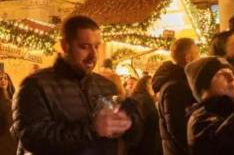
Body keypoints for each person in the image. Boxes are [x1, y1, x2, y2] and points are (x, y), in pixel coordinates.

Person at [11, 15, 142, 155]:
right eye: (84, 47)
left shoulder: (106, 86)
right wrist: (92, 128)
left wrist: (130, 124)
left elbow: (127, 140)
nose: (93, 55)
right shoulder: (35, 86)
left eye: (96, 46)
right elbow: (33, 139)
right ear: (65, 46)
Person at [152, 38, 199, 155]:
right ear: (188, 58)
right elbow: (177, 129)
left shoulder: (179, 82)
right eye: (197, 54)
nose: (199, 58)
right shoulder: (174, 87)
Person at [128, 76, 162, 155]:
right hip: (145, 146)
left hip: (135, 146)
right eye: (151, 84)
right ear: (144, 85)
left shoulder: (133, 98)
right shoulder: (145, 101)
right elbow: (152, 123)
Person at [0, 70, 17, 155]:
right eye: (0, 79)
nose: (3, 80)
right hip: (3, 137)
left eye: (5, 78)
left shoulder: (14, 97)